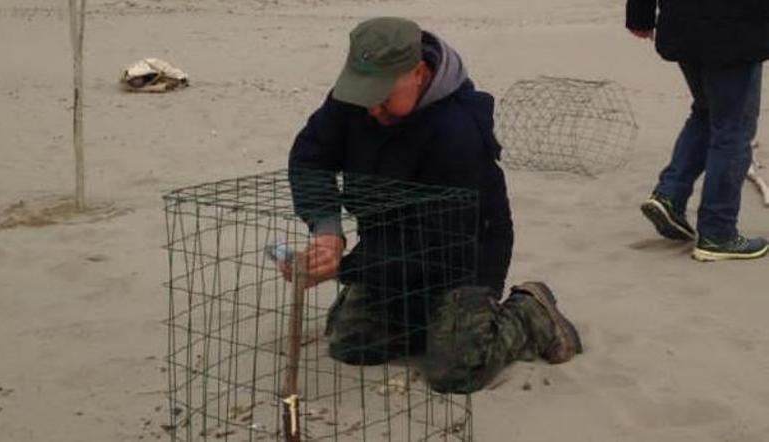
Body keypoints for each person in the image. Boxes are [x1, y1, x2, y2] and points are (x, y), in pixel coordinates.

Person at [285, 17, 582, 394]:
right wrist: (328, 236)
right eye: (363, 94)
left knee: (455, 373)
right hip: (387, 249)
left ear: (418, 73)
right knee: (351, 342)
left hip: (460, 258)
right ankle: (429, 324)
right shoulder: (354, 100)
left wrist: (343, 267)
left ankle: (530, 312)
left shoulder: (456, 132)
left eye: (381, 96)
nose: (371, 109)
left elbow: (436, 244)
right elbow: (311, 158)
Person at [627, 0, 769, 261]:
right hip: (734, 29)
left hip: (684, 24)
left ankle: (670, 195)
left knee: (707, 112)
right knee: (732, 128)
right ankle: (718, 231)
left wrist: (640, 15)